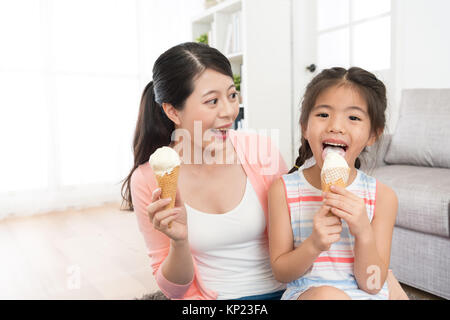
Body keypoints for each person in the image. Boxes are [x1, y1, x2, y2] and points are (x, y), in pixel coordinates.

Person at [121, 43, 408, 300]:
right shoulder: (149, 179)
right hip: (227, 299)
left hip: (294, 287)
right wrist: (179, 242)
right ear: (172, 111)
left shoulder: (259, 150)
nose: (230, 112)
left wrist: (367, 245)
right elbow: (174, 290)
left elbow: (298, 237)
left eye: (232, 96)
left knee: (387, 283)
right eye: (212, 101)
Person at [268, 66, 405, 300]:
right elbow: (282, 273)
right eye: (323, 114)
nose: (336, 126)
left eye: (353, 118)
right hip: (310, 293)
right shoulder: (283, 190)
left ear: (373, 134)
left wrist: (364, 232)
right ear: (304, 126)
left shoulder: (383, 197)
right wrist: (314, 244)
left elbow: (372, 284)